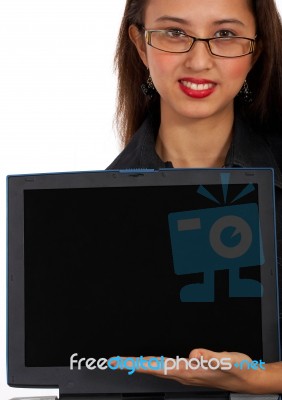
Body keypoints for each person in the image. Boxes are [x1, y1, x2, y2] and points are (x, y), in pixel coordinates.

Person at [107, 0, 282, 394]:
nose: (198, 61)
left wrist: (261, 379)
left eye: (225, 35)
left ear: (258, 48)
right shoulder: (99, 211)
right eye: (174, 33)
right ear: (140, 45)